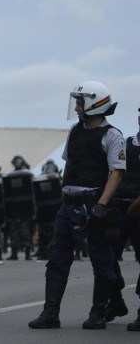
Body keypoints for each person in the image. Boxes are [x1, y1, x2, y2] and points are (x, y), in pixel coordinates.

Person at [29, 81, 127, 330]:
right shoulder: (75, 130)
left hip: (93, 204)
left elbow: (116, 173)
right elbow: (69, 165)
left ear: (95, 103)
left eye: (81, 102)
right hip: (68, 204)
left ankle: (99, 311)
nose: (78, 107)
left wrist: (102, 205)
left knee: (101, 260)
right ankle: (50, 313)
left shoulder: (112, 135)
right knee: (57, 259)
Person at [117, 107, 140, 331]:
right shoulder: (128, 143)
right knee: (107, 257)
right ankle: (113, 300)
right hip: (120, 206)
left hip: (137, 208)